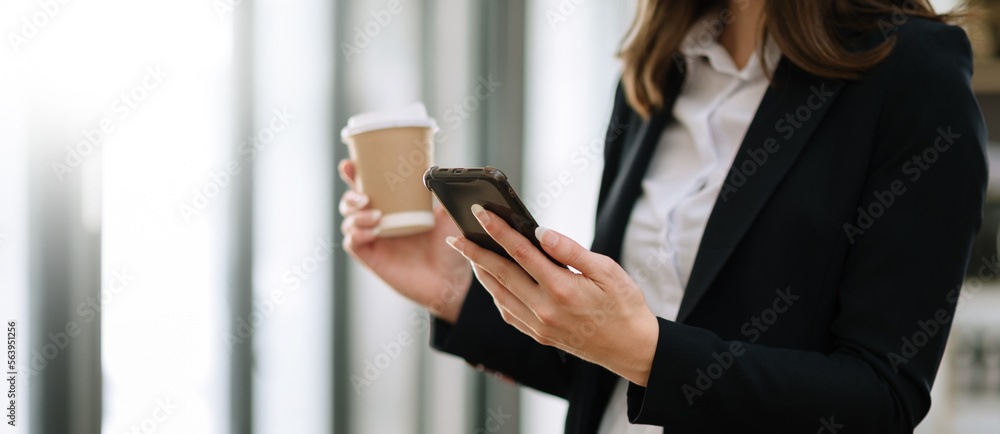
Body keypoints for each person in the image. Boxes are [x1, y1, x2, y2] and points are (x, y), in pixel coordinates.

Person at [339, 0, 989, 432]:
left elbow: (880, 399)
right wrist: (452, 288)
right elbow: (606, 364)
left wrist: (650, 351)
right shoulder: (656, 70)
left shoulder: (911, 77)